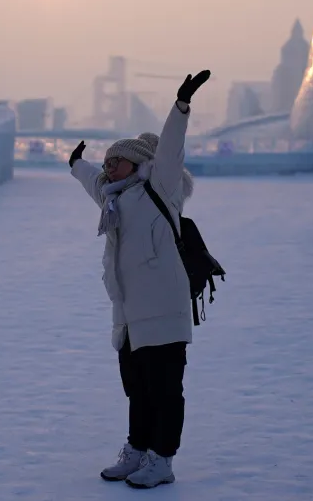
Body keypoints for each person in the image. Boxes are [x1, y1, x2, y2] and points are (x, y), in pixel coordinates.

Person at [68, 69, 210, 489]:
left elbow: (170, 149)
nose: (109, 167)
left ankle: (162, 460)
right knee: (137, 389)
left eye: (117, 161)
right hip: (129, 315)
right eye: (107, 162)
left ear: (140, 163)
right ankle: (137, 450)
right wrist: (76, 164)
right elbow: (91, 181)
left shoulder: (160, 187)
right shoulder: (112, 199)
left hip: (163, 311)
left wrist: (180, 107)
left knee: (165, 390)